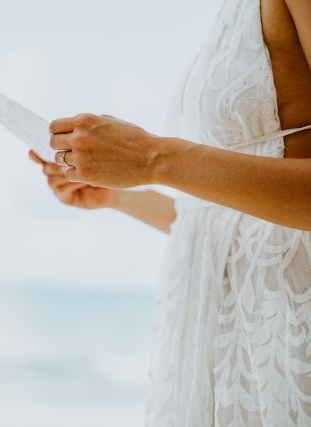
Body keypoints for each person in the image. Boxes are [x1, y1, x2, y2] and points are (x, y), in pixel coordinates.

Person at [31, 0, 310, 425]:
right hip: (223, 360)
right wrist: (117, 196)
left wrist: (154, 158)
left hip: (284, 347)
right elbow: (225, 224)